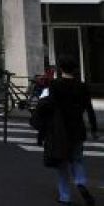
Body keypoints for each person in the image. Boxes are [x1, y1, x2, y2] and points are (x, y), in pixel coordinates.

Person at [33, 56, 98, 205]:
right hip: (77, 129)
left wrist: (41, 131)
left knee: (62, 164)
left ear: (61, 69)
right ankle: (80, 182)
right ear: (75, 69)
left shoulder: (55, 85)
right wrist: (94, 129)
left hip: (60, 131)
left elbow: (48, 107)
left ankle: (65, 197)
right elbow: (89, 109)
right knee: (77, 159)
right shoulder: (82, 86)